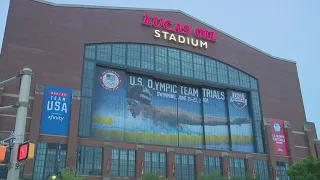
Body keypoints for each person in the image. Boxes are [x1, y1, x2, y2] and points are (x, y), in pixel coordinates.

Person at [126, 85, 250, 127]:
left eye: (132, 103)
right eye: (128, 103)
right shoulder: (146, 115)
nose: (129, 107)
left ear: (145, 104)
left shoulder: (166, 114)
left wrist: (231, 121)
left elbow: (202, 120)